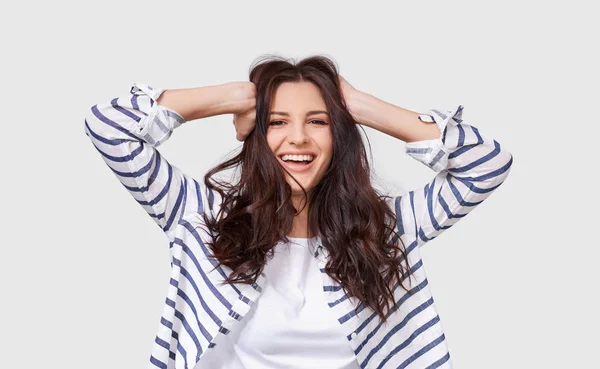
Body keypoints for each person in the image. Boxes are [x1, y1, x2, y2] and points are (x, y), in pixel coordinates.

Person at [84, 55, 513, 369]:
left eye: (319, 121)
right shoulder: (202, 219)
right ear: (255, 132)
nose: (299, 139)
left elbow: (487, 164)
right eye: (277, 122)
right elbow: (108, 127)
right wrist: (235, 96)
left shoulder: (388, 229)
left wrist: (361, 106)